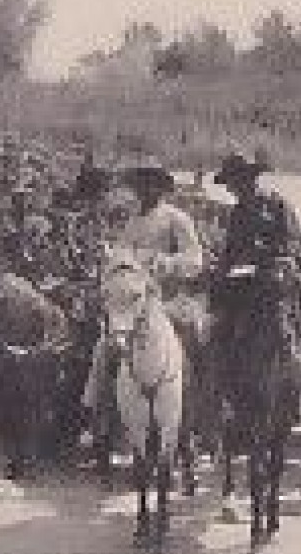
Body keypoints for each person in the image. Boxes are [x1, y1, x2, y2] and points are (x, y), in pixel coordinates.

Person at [80, 158, 207, 425]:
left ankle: (201, 416)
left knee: (196, 345)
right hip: (134, 304)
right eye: (140, 184)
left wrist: (167, 262)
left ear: (161, 188)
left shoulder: (177, 219)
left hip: (173, 299)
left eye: (151, 184)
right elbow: (120, 262)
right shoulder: (130, 222)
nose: (145, 190)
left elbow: (195, 260)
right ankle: (101, 415)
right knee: (105, 348)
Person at [211, 151, 301, 350]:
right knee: (219, 306)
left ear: (251, 178)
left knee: (275, 305)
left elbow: (295, 242)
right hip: (245, 274)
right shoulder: (237, 213)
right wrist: (221, 267)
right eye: (231, 183)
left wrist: (270, 251)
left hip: (276, 270)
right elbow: (230, 250)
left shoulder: (277, 204)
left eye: (238, 180)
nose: (234, 188)